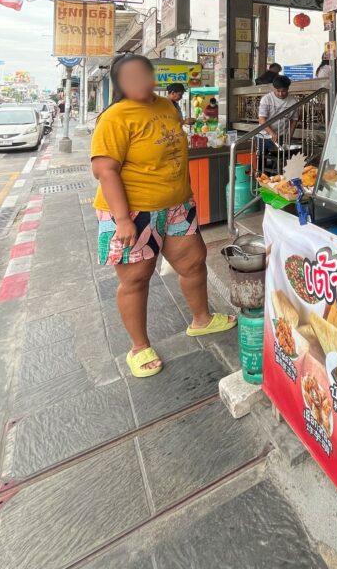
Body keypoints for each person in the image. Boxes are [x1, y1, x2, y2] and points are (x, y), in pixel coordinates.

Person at [91, 54, 235, 379]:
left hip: (176, 205)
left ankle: (201, 319)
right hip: (132, 210)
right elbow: (105, 170)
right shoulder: (115, 117)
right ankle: (139, 347)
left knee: (194, 262)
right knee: (137, 277)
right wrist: (123, 220)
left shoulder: (167, 107)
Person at [257, 75, 298, 149]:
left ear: (288, 88)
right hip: (263, 136)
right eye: (278, 91)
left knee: (279, 159)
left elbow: (294, 120)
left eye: (284, 91)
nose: (281, 94)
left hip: (281, 136)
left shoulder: (293, 101)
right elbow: (261, 119)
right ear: (274, 88)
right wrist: (272, 133)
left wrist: (289, 137)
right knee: (260, 159)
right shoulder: (266, 99)